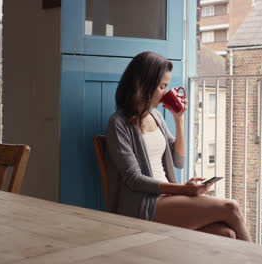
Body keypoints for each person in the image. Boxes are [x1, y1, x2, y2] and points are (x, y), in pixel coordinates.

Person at [106, 51, 252, 242]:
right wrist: (184, 189)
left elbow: (179, 160)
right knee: (231, 207)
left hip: (168, 198)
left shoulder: (155, 116)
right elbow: (134, 179)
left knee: (227, 234)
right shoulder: (118, 123)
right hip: (143, 205)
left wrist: (178, 120)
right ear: (142, 84)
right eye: (161, 86)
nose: (166, 93)